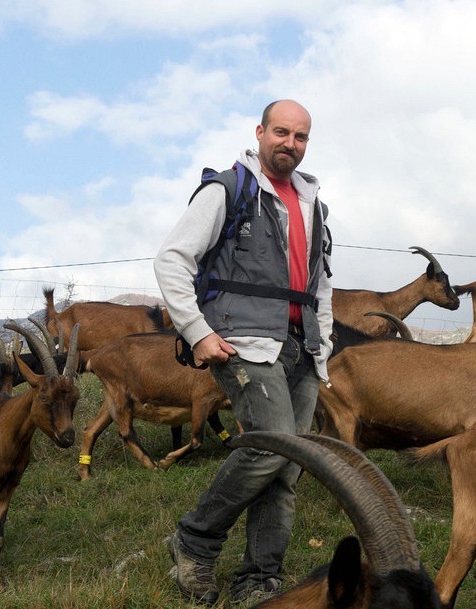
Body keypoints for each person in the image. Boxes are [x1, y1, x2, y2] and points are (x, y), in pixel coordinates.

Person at [153, 99, 333, 605]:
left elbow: (321, 285)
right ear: (259, 131)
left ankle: (259, 579)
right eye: (281, 132)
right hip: (244, 342)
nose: (290, 144)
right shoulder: (228, 189)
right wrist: (196, 331)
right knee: (272, 443)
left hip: (302, 347)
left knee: (287, 466)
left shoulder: (312, 202)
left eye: (300, 137)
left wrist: (324, 349)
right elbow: (171, 259)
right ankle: (194, 542)